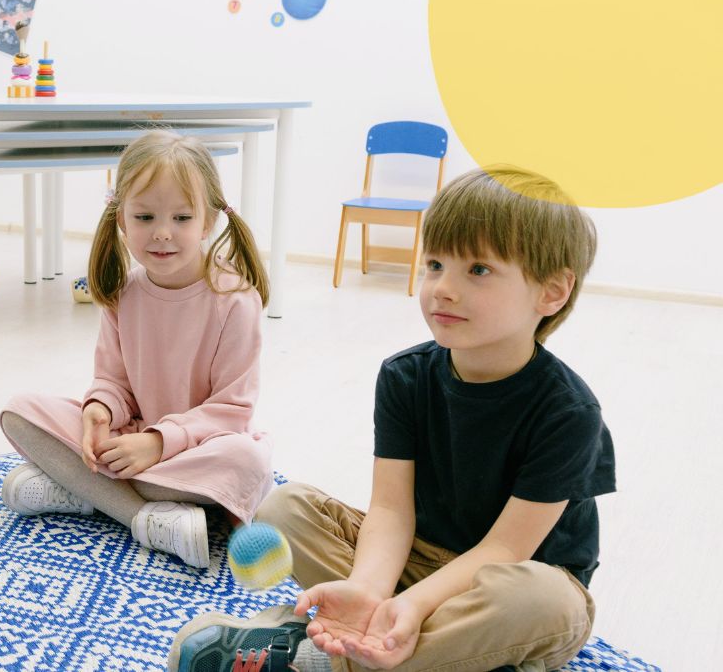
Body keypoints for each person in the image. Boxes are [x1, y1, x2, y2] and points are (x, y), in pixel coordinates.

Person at [173, 166, 614, 671]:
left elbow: (507, 548)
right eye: (435, 264)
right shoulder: (405, 376)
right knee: (285, 508)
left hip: (505, 579)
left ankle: (324, 657)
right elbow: (390, 511)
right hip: (412, 559)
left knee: (545, 604)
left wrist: (415, 604)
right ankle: (393, 639)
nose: (442, 288)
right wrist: (367, 590)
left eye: (478, 270)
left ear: (551, 292)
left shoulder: (569, 413)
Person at [0, 130, 273, 568]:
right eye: (145, 217)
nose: (162, 233)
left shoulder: (236, 301)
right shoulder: (123, 294)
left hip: (199, 449)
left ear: (208, 222)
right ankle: (142, 515)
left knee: (247, 462)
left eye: (181, 218)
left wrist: (158, 443)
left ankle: (84, 489)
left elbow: (231, 411)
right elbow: (113, 382)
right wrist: (99, 411)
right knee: (19, 411)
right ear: (122, 220)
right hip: (131, 443)